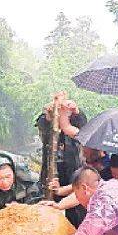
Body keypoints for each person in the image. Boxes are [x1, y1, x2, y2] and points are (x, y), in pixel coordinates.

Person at [36, 91, 87, 227]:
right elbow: (42, 126)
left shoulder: (75, 117)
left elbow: (81, 127)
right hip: (52, 171)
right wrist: (49, 115)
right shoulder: (46, 118)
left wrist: (74, 111)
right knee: (50, 203)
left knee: (76, 209)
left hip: (73, 168)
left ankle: (75, 232)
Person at [0, 150, 42, 215]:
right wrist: (5, 211)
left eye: (8, 177)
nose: (5, 183)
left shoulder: (28, 181)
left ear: (14, 174)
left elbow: (37, 204)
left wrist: (20, 207)